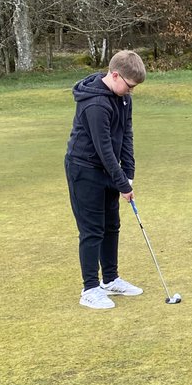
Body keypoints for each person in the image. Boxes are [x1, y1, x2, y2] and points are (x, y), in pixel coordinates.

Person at [64, 50, 147, 309]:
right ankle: (89, 289)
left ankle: (110, 279)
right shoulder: (95, 104)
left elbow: (126, 135)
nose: (131, 91)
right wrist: (122, 184)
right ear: (114, 75)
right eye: (129, 86)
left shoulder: (123, 99)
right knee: (92, 230)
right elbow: (104, 149)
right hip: (84, 169)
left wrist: (129, 175)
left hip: (107, 170)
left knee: (112, 226)